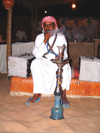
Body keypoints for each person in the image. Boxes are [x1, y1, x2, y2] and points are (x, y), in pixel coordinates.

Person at [26, 16, 71, 107]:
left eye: (50, 25)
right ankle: (37, 93)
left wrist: (60, 56)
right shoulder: (39, 37)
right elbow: (37, 54)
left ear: (55, 26)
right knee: (35, 63)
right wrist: (45, 40)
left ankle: (63, 94)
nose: (47, 27)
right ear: (43, 27)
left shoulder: (61, 37)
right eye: (45, 25)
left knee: (66, 66)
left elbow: (65, 55)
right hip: (44, 62)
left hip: (56, 63)